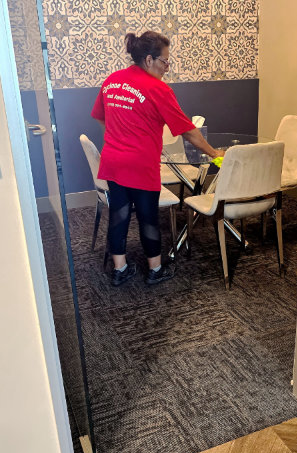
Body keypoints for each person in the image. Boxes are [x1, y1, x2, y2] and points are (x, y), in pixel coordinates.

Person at [91, 31, 224, 286]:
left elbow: (99, 115)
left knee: (119, 214)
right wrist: (214, 152)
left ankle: (120, 269)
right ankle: (155, 269)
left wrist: (115, 137)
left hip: (114, 162)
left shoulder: (112, 81)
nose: (166, 68)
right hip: (141, 165)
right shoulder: (158, 89)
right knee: (148, 217)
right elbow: (189, 132)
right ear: (149, 59)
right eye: (165, 62)